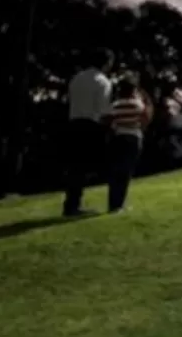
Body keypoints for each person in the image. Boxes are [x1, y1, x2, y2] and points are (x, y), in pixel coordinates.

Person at [63, 48, 113, 217]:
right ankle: (74, 205)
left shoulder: (77, 78)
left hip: (73, 122)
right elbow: (103, 110)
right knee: (87, 166)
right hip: (90, 125)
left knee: (75, 166)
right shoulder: (102, 81)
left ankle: (71, 203)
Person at [106, 77, 151, 213]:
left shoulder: (115, 105)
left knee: (116, 171)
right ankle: (119, 204)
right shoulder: (137, 104)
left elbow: (109, 120)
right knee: (126, 172)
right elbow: (146, 118)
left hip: (118, 137)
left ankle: (113, 203)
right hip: (133, 137)